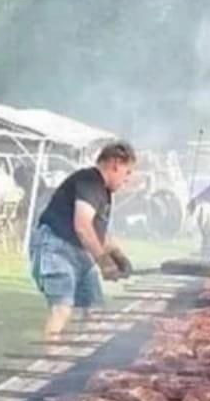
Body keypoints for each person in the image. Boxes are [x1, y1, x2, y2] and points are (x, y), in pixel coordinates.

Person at [29, 141, 136, 340]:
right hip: (56, 249)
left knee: (94, 310)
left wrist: (118, 256)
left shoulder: (103, 192)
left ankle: (87, 355)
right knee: (62, 309)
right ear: (115, 164)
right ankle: (50, 355)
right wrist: (104, 262)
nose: (127, 179)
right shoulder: (90, 181)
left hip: (79, 254)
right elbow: (83, 226)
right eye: (127, 172)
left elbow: (98, 233)